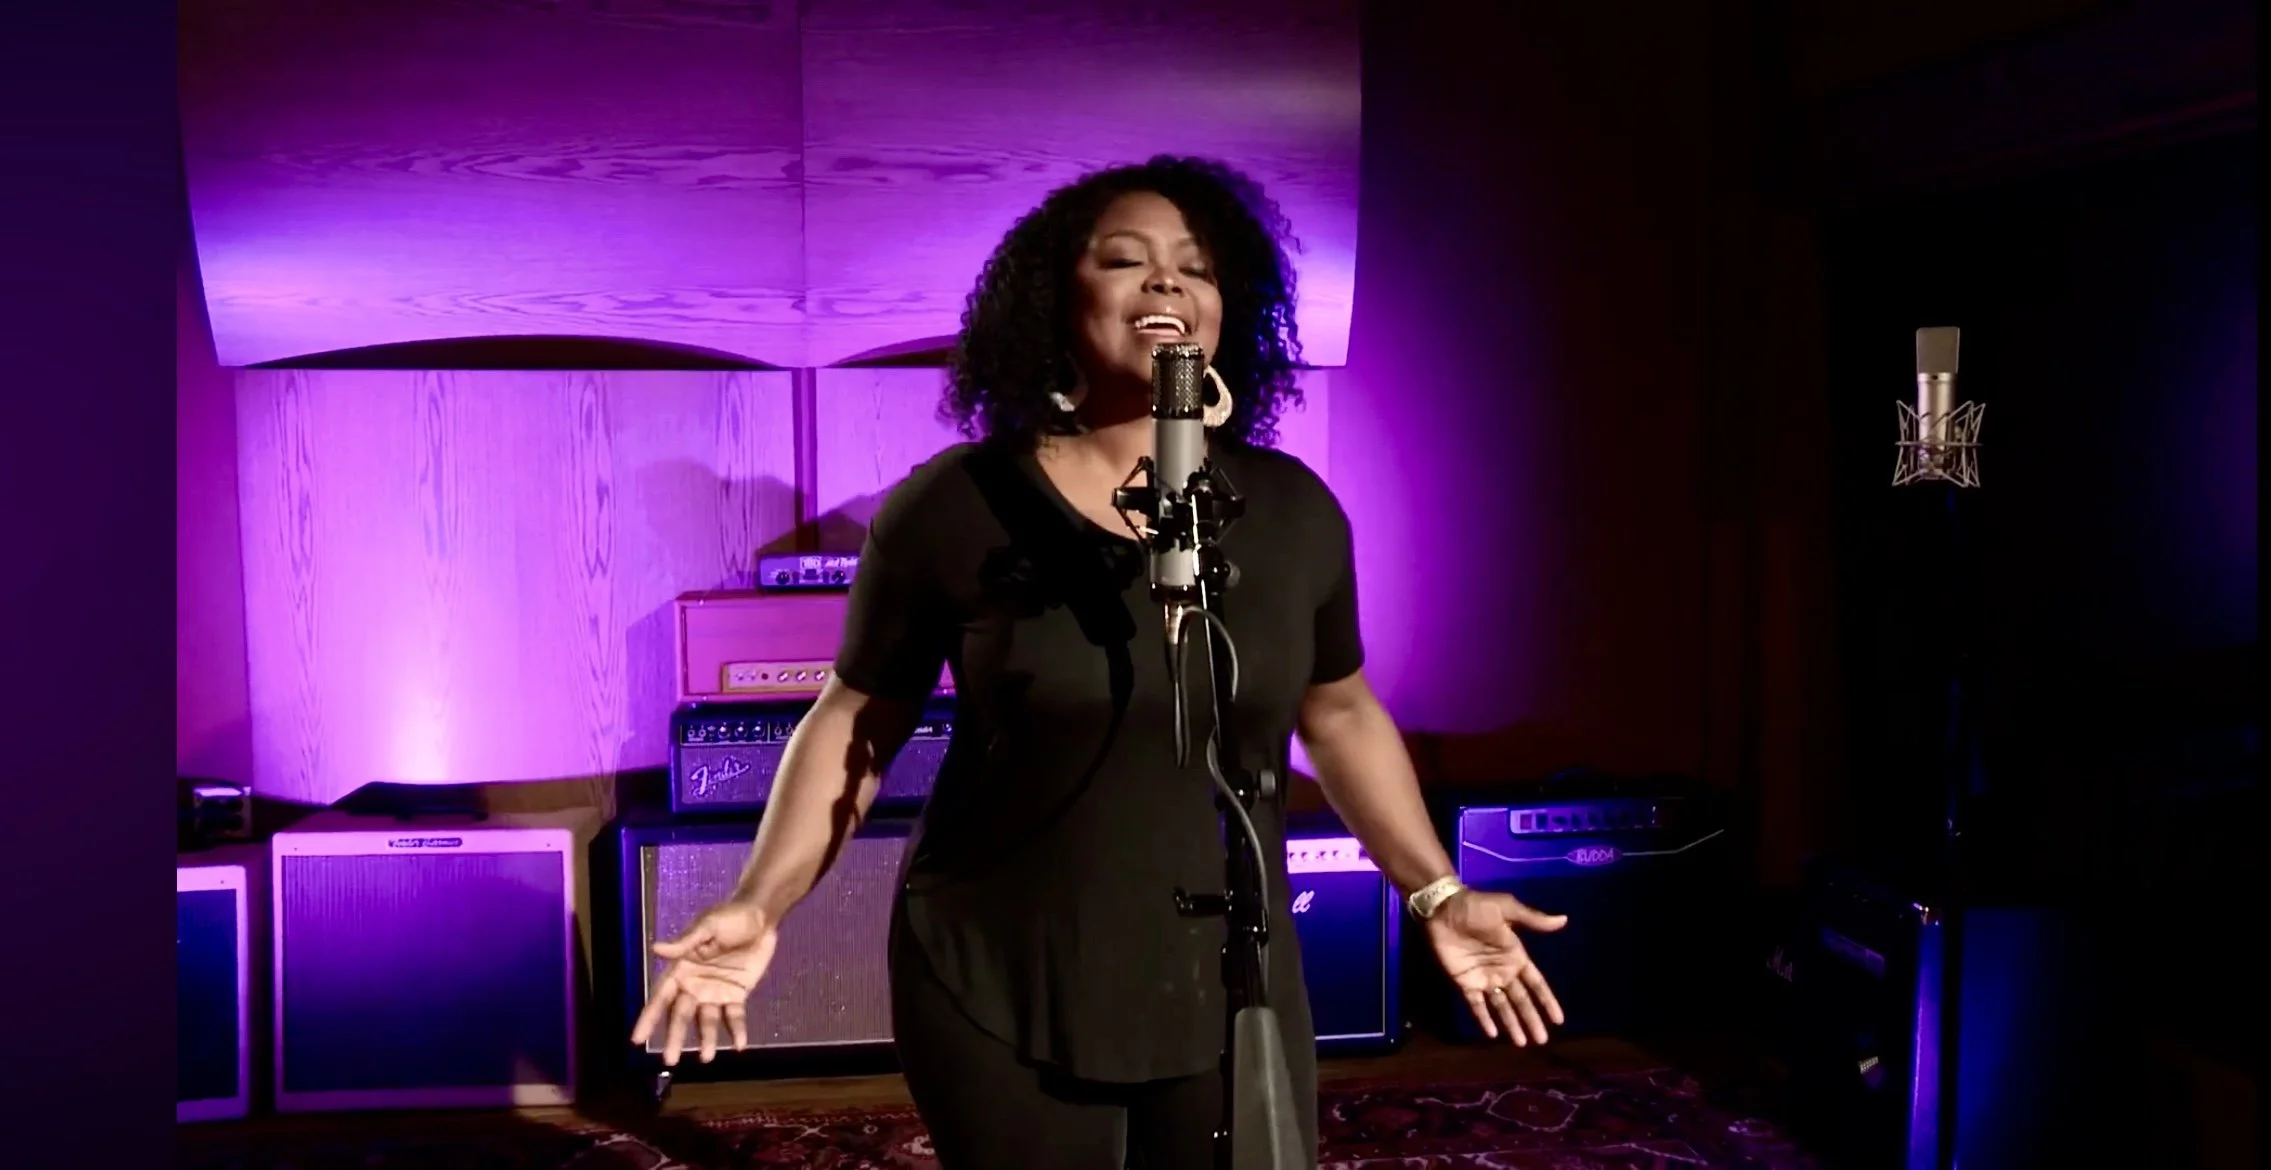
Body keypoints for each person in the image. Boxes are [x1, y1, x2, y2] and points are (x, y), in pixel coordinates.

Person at [630, 155, 1569, 1168]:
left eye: (1196, 268)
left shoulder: (1293, 513)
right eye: (1126, 260)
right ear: (1055, 301)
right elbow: (858, 717)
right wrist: (760, 900)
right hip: (1003, 967)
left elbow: (1337, 712)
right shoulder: (956, 505)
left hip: (1226, 979)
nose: (1167, 282)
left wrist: (1434, 889)